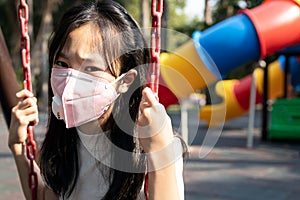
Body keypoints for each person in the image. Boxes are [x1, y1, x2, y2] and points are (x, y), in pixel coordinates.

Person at [8, 0, 186, 199]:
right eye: (62, 63)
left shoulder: (149, 144)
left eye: (91, 68)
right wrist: (18, 147)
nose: (70, 82)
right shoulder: (68, 142)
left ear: (125, 81)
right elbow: (44, 196)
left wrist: (160, 151)